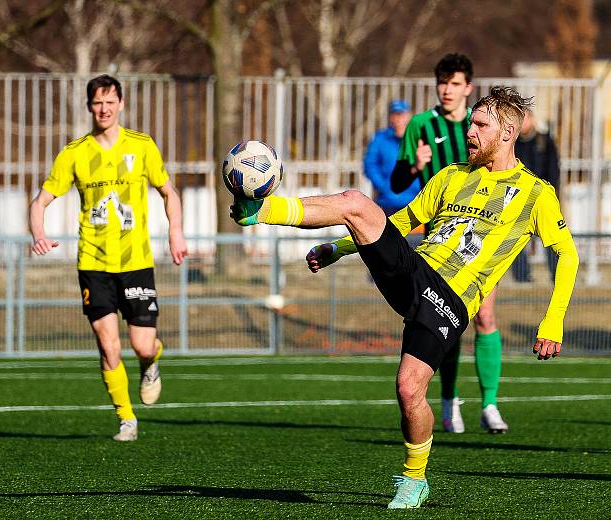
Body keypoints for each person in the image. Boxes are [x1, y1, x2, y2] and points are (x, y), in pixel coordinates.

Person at [230, 86, 579, 508]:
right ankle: (260, 212)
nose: (469, 131)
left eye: (480, 125)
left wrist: (553, 319)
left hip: (452, 302)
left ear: (508, 133)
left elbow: (567, 254)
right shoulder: (451, 176)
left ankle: (415, 480)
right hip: (418, 274)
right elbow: (399, 221)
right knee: (356, 202)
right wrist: (337, 249)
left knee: (409, 390)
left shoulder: (535, 193)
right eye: (470, 122)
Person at [29, 74, 188, 442]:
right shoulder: (75, 153)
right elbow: (40, 201)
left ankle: (152, 360)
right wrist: (39, 234)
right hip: (93, 263)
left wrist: (175, 230)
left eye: (110, 101)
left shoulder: (142, 146)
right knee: (108, 345)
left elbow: (169, 192)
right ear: (89, 106)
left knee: (141, 345)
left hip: (135, 261)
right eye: (97, 103)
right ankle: (126, 418)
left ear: (121, 104)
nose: (104, 108)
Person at [391, 53, 508, 435]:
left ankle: (489, 403)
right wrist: (412, 164)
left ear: (468, 88)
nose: (447, 89)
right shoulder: (421, 125)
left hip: (480, 241)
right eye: (442, 82)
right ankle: (449, 400)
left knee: (486, 318)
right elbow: (395, 183)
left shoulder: (483, 125)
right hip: (438, 241)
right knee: (447, 322)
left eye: (455, 83)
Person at [511, 110, 561, 281]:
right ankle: (523, 278)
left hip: (543, 198)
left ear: (532, 119)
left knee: (553, 239)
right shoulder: (513, 143)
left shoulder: (544, 140)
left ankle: (557, 275)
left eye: (524, 118)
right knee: (514, 238)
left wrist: (549, 195)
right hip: (518, 199)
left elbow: (554, 170)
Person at [363, 100, 419, 217]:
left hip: (416, 202)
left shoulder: (419, 138)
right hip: (388, 202)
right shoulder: (380, 139)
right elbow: (370, 165)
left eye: (402, 115)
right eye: (395, 114)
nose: (398, 119)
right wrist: (384, 186)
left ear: (410, 116)